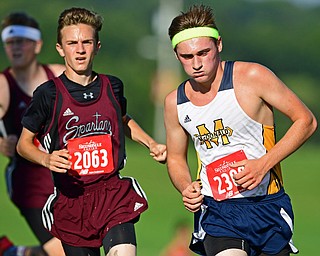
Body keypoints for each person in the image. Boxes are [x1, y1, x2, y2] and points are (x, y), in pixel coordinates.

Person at [164, 4, 317, 256]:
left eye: (203, 52)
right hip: (217, 210)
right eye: (187, 57)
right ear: (176, 55)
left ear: (219, 45)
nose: (197, 64)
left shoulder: (253, 76)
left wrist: (263, 164)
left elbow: (306, 120)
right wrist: (184, 186)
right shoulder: (175, 102)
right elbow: (176, 157)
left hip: (266, 205)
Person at [16, 7, 166, 256]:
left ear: (97, 46)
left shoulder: (113, 86)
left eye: (86, 42)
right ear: (60, 49)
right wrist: (46, 158)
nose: (80, 49)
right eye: (72, 43)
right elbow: (24, 144)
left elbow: (123, 119)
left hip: (111, 195)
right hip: (72, 200)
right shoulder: (48, 94)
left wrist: (151, 143)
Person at [0, 12, 65, 256]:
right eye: (10, 43)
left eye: (21, 42)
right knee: (65, 252)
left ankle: (13, 253)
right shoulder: (3, 84)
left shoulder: (58, 76)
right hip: (28, 183)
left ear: (37, 45)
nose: (15, 48)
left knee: (80, 249)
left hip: (64, 177)